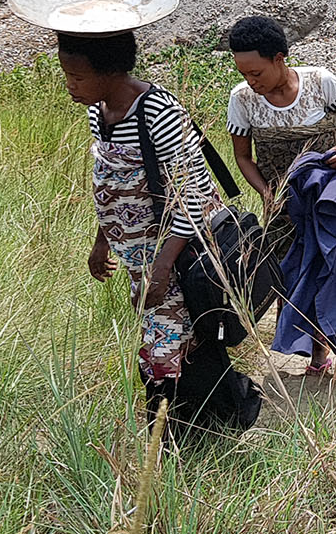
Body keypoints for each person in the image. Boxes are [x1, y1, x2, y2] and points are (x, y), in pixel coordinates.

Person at [63, 29, 260, 435]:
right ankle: (215, 420)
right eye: (67, 74)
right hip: (139, 256)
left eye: (77, 77)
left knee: (170, 344)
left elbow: (194, 192)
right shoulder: (98, 112)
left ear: (111, 72)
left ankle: (177, 435)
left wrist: (164, 266)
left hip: (178, 252)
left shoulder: (158, 112)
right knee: (180, 340)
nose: (70, 85)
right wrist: (102, 240)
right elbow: (108, 179)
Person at [225, 16, 336, 376]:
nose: (250, 82)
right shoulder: (242, 101)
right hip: (284, 206)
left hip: (330, 199)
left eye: (256, 72)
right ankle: (317, 352)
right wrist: (268, 191)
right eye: (244, 74)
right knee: (296, 273)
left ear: (279, 58)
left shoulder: (321, 83)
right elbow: (243, 156)